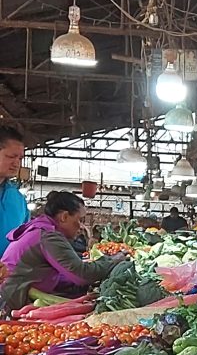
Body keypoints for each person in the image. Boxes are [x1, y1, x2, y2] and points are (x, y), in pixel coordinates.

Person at [0, 192, 124, 311]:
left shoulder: (39, 228)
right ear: (64, 217)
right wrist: (113, 260)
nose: (81, 226)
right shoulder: (48, 236)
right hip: (12, 300)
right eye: (80, 219)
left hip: (12, 294)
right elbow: (81, 274)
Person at [0, 125, 29, 260]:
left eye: (20, 158)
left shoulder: (18, 199)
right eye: (11, 156)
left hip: (8, 277)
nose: (17, 163)